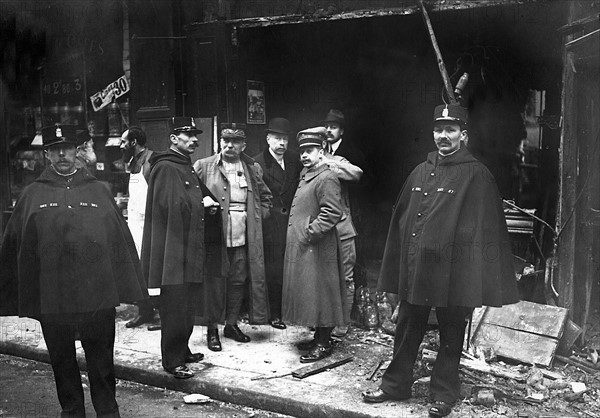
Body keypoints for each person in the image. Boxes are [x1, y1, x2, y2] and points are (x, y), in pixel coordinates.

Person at [362, 104, 519, 418]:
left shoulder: (477, 174)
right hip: (418, 269)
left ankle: (443, 394)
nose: (443, 136)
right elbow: (403, 219)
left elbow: (484, 230)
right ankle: (396, 385)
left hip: (453, 272)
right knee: (408, 324)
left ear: (463, 135)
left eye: (450, 130)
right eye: (438, 129)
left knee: (450, 332)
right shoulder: (421, 170)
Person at [0, 124, 148, 417]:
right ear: (47, 155)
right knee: (62, 361)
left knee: (102, 360)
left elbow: (119, 240)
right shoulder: (32, 195)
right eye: (55, 150)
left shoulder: (98, 190)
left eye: (68, 148)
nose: (63, 154)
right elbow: (15, 245)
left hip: (97, 296)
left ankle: (108, 411)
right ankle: (72, 412)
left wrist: (129, 287)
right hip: (53, 298)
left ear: (77, 151)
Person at [141, 117, 226, 379]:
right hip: (173, 251)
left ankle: (183, 349)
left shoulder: (184, 165)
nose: (195, 140)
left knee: (188, 303)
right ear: (173, 139)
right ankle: (172, 360)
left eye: (195, 135)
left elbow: (193, 196)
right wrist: (204, 206)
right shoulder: (167, 167)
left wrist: (205, 203)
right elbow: (171, 207)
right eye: (187, 135)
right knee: (175, 306)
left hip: (187, 248)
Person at [194, 123, 272, 351]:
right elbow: (189, 194)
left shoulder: (252, 168)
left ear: (243, 145)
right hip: (214, 237)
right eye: (225, 140)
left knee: (238, 280)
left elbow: (266, 198)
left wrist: (257, 217)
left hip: (243, 237)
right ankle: (211, 329)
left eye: (235, 142)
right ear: (220, 142)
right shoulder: (204, 166)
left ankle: (231, 324)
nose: (229, 145)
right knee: (214, 282)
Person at [282, 126, 346, 363]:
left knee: (323, 293)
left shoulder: (327, 176)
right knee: (313, 292)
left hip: (319, 245)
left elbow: (331, 212)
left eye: (310, 150)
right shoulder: (307, 173)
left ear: (322, 151)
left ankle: (323, 342)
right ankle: (320, 337)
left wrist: (310, 233)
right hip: (307, 246)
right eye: (302, 152)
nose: (305, 155)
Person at [253, 117, 302, 330]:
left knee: (292, 267)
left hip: (292, 223)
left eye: (285, 139)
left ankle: (293, 310)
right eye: (277, 138)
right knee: (273, 270)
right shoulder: (258, 163)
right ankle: (274, 313)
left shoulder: (295, 161)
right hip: (271, 225)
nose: (282, 143)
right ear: (268, 139)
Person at [322, 109, 363, 337]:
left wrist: (327, 163)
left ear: (342, 130)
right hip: (323, 227)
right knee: (325, 275)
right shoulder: (313, 158)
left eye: (333, 126)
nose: (329, 130)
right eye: (326, 126)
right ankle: (324, 320)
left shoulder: (340, 159)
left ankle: (343, 322)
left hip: (344, 224)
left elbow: (356, 173)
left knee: (345, 275)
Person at [120, 126, 160, 330]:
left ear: (134, 142)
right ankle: (145, 312)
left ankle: (162, 314)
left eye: (123, 141)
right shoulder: (132, 162)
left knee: (154, 270)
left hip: (150, 225)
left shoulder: (151, 161)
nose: (121, 145)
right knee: (138, 270)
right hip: (135, 223)